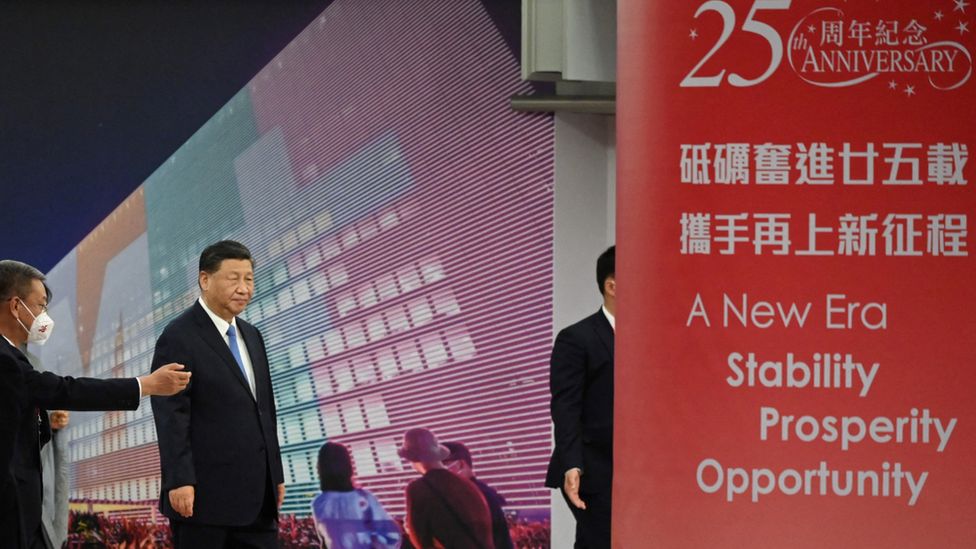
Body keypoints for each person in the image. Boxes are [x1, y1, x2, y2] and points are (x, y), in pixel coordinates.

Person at [0, 259, 191, 549]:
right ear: (15, 306)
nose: (44, 316)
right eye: (39, 306)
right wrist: (145, 385)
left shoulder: (13, 358)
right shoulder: (5, 360)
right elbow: (66, 390)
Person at [150, 240, 285, 548]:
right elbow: (171, 413)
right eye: (233, 278)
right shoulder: (179, 335)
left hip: (258, 500)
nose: (244, 287)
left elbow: (265, 410)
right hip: (204, 502)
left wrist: (274, 474)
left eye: (249, 278)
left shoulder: (253, 335)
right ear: (205, 280)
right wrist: (179, 479)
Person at [545, 245, 615, 549]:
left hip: (636, 471)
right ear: (612, 286)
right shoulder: (578, 338)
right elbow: (566, 406)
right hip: (591, 469)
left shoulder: (652, 337)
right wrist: (572, 464)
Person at [399, 428, 492, 549]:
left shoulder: (417, 488)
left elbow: (421, 540)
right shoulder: (465, 483)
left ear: (413, 459)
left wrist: (409, 529)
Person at [20, 340, 70, 549]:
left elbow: (59, 469)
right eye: (40, 305)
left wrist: (59, 530)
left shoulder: (34, 364)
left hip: (41, 521)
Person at [310, 441, 401, 548]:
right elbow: (392, 536)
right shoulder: (364, 498)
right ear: (348, 465)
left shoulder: (319, 503)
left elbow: (325, 543)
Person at [443, 442, 515, 549]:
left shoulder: (473, 496)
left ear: (460, 465)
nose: (439, 475)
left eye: (444, 466)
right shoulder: (483, 492)